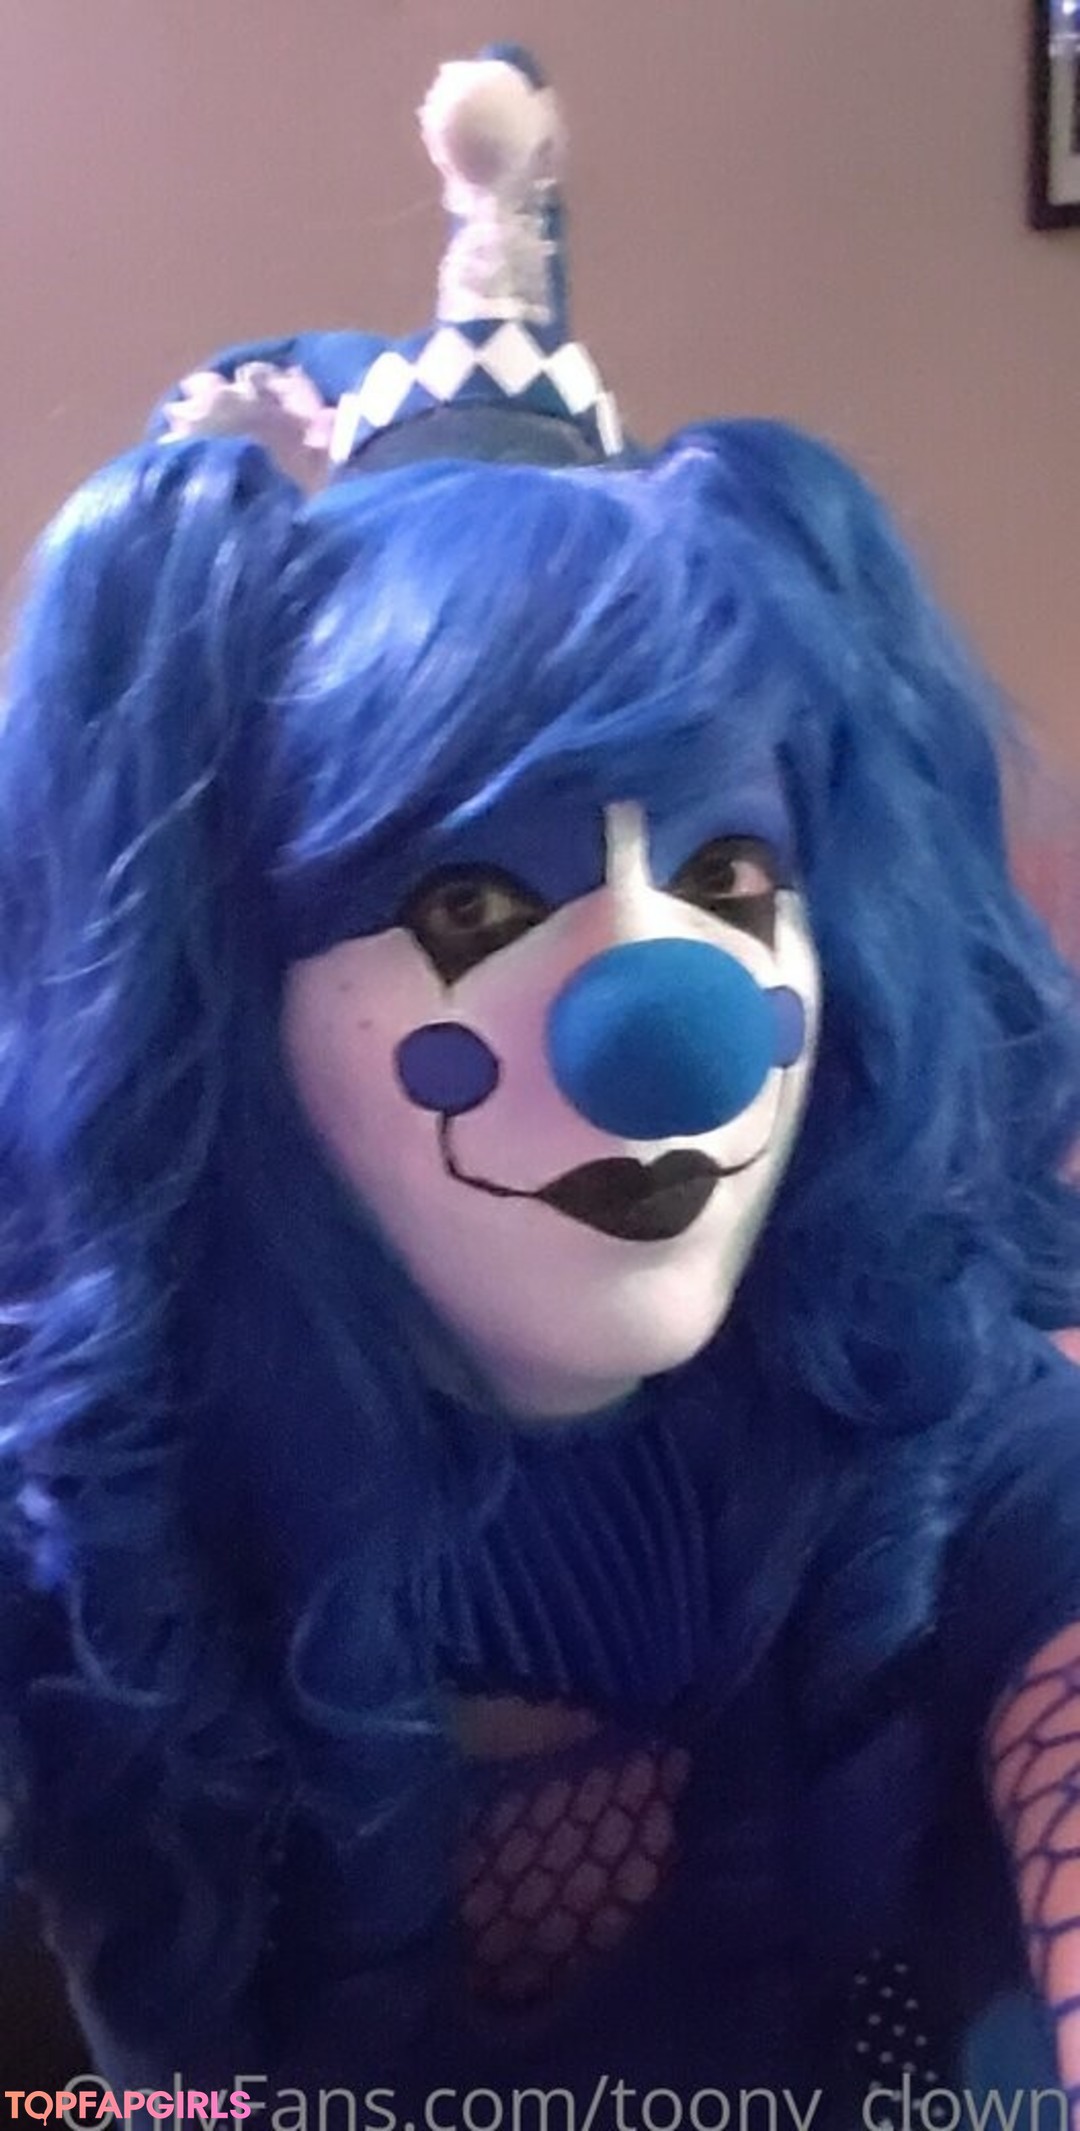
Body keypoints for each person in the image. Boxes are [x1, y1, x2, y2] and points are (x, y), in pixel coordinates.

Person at [2, 42, 1080, 2126]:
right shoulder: (93, 1477)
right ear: (225, 1000)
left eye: (733, 880)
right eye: (476, 902)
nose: (667, 1022)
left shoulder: (939, 1410)